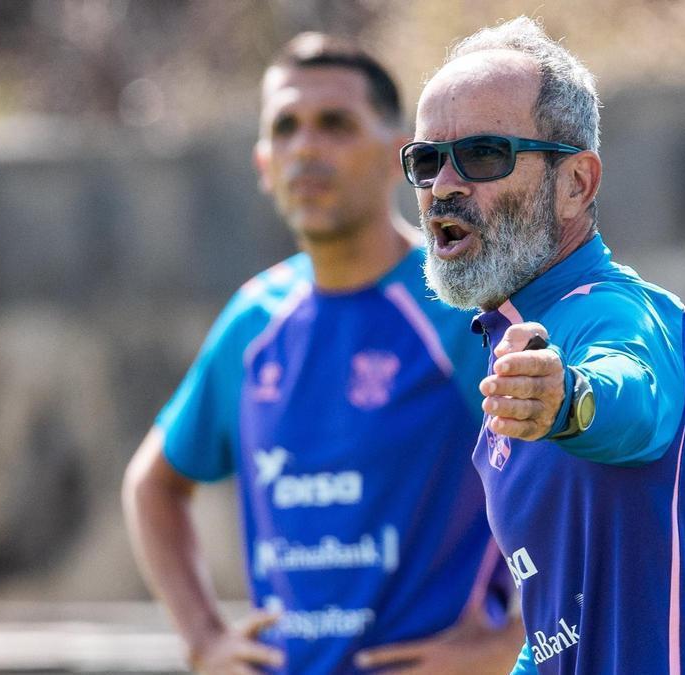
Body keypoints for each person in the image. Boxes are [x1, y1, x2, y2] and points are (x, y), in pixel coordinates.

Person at [403, 17, 685, 673]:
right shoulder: (511, 350)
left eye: (484, 155)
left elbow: (633, 393)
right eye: (426, 161)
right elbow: (561, 631)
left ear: (577, 184)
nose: (444, 186)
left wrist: (569, 398)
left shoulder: (617, 315)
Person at [122, 33, 522, 675]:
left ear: (399, 155)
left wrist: (515, 639)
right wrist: (203, 639)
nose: (305, 147)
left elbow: (580, 478)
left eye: (335, 124)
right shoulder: (254, 322)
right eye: (285, 128)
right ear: (262, 163)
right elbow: (153, 486)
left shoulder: (464, 309)